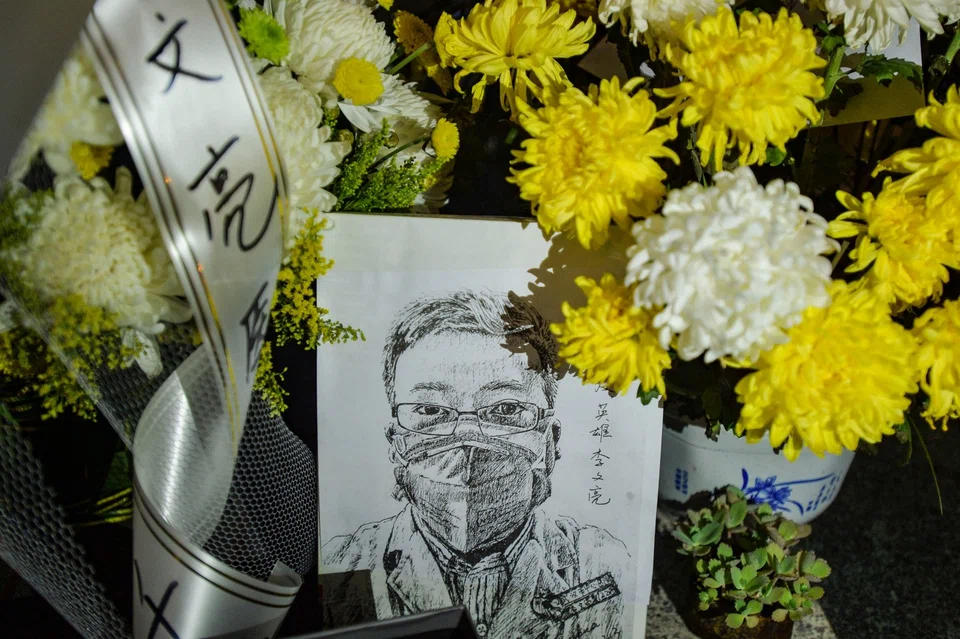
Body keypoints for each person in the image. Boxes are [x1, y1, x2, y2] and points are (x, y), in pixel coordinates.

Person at [322, 290, 629, 639]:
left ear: (550, 441)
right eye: (430, 410)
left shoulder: (603, 563)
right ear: (395, 441)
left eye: (506, 409)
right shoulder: (341, 567)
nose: (467, 440)